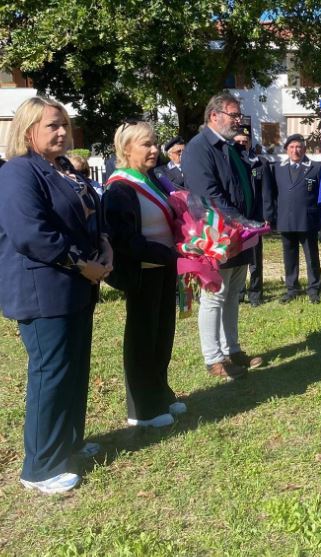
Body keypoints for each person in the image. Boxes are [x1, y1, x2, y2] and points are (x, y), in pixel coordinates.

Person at [0, 96, 112, 493]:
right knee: (51, 373)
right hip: (42, 289)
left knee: (74, 367)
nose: (63, 131)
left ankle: (68, 444)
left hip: (76, 287)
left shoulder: (63, 168)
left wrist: (104, 243)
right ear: (28, 131)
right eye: (53, 125)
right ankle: (40, 467)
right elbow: (31, 233)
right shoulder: (18, 172)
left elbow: (90, 213)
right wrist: (83, 263)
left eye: (65, 123)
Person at [102, 121, 183, 428]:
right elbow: (125, 241)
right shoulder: (120, 187)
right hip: (143, 273)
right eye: (145, 144)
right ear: (126, 149)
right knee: (142, 340)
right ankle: (142, 410)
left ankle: (160, 394)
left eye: (154, 143)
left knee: (162, 337)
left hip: (163, 269)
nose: (153, 149)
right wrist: (170, 255)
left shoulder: (151, 179)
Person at [182, 91, 264, 381]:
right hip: (217, 235)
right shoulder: (198, 148)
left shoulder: (229, 147)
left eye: (239, 115)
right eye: (234, 115)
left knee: (233, 295)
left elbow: (243, 186)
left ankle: (232, 349)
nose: (238, 121)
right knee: (215, 296)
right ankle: (213, 358)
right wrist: (240, 221)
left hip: (239, 233)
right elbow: (209, 195)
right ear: (214, 116)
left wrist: (249, 222)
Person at [264, 133, 321, 304]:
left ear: (304, 149)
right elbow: (272, 194)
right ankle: (292, 288)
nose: (295, 150)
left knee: (311, 256)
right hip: (286, 219)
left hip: (307, 220)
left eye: (298, 147)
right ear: (286, 150)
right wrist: (272, 215)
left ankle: (314, 288)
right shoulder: (278, 168)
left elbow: (320, 195)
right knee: (289, 256)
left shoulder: (315, 167)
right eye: (291, 147)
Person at [233, 126, 265, 307]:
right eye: (238, 142)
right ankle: (238, 292)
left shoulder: (259, 163)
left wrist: (265, 216)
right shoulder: (229, 163)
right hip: (236, 219)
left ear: (250, 143)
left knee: (254, 258)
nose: (242, 144)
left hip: (255, 218)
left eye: (245, 142)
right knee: (236, 256)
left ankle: (255, 293)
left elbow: (266, 193)